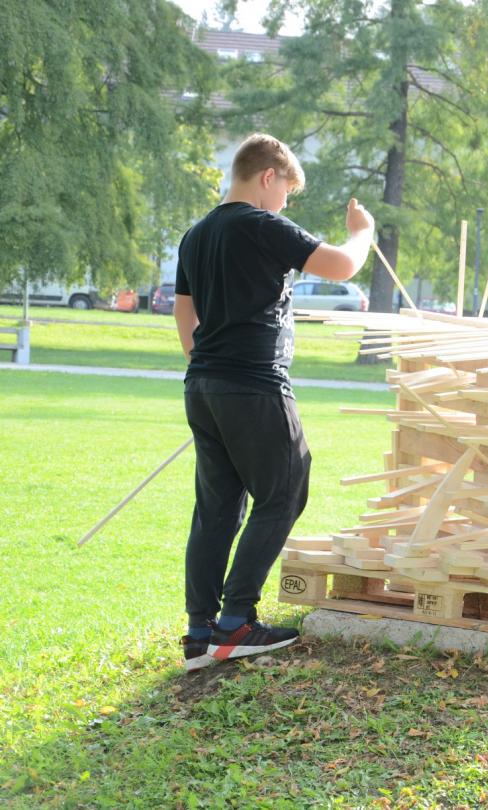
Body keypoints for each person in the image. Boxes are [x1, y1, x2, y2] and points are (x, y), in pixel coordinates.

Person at [173, 133, 376, 671]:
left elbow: (183, 313)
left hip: (205, 384)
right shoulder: (261, 224)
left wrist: (208, 369)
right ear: (268, 176)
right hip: (253, 384)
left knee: (218, 507)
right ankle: (236, 620)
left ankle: (200, 631)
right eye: (287, 189)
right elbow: (341, 267)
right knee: (286, 488)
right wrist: (363, 233)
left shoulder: (195, 234)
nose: (287, 201)